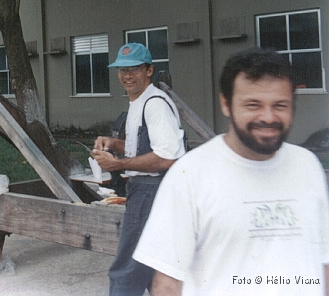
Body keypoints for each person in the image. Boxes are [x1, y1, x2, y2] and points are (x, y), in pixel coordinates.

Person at [134, 48, 329, 296]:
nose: (268, 117)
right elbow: (167, 282)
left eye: (280, 105)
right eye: (253, 105)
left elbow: (325, 260)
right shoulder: (190, 174)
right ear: (226, 104)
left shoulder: (308, 166)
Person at [90, 42, 186, 296]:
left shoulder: (155, 104)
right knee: (155, 271)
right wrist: (114, 144)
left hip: (151, 192)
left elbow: (167, 158)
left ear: (149, 70)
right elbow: (145, 147)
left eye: (134, 69)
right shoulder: (139, 102)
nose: (126, 76)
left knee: (127, 269)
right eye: (121, 70)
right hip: (143, 191)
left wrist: (118, 164)